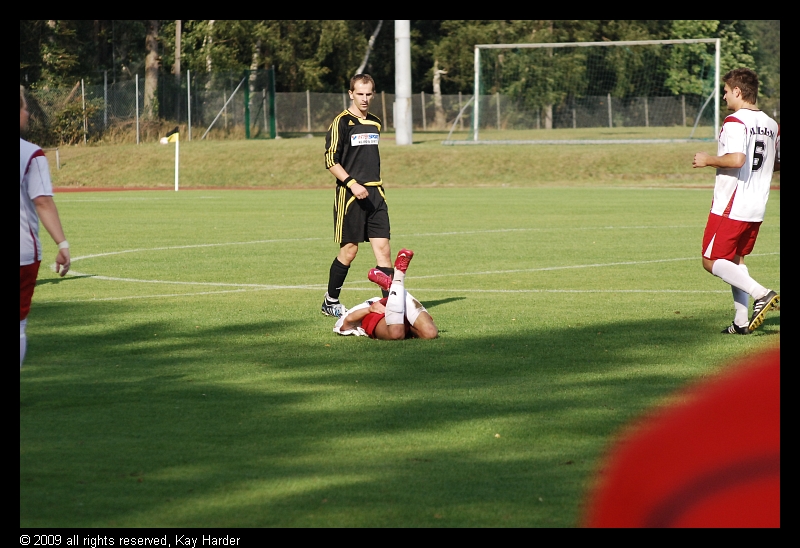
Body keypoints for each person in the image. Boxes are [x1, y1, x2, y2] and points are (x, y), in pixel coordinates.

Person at [692, 68, 779, 335]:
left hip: (732, 204)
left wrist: (708, 160)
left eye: (726, 92)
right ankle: (741, 321)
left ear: (738, 92)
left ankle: (761, 293)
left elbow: (737, 159)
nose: (724, 97)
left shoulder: (734, 121)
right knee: (735, 260)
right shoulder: (772, 124)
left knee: (711, 260)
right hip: (756, 205)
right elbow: (775, 163)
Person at [321, 74, 393, 318]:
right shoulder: (341, 122)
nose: (364, 98)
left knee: (383, 250)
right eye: (359, 93)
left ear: (373, 94)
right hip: (350, 195)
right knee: (350, 251)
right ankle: (330, 301)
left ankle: (391, 308)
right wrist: (352, 183)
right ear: (351, 93)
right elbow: (331, 160)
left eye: (368, 94)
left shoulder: (375, 122)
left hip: (376, 194)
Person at [20, 85, 71, 368]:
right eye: (25, 107)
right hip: (22, 253)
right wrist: (62, 245)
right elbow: (42, 201)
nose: (27, 112)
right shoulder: (30, 154)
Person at [333, 248, 438, 340]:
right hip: (388, 308)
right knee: (430, 333)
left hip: (379, 308)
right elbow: (347, 323)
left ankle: (396, 280)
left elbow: (348, 320)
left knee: (400, 333)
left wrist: (370, 309)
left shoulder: (364, 307)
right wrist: (370, 309)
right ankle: (396, 282)